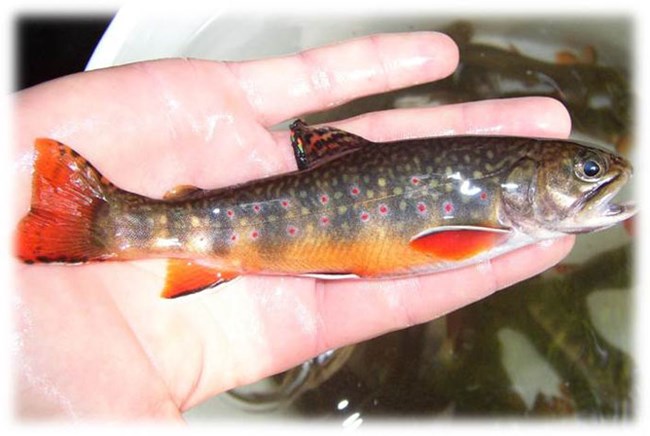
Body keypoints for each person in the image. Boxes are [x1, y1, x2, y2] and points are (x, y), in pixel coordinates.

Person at [12, 31, 574, 420]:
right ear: (524, 179)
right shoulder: (491, 227)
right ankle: (110, 224)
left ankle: (114, 223)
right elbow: (449, 246)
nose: (595, 180)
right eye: (586, 172)